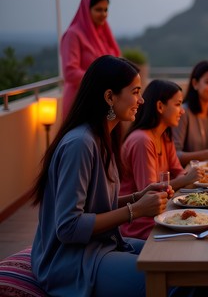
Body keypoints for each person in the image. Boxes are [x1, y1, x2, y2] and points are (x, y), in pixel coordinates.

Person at [30, 56, 173, 297]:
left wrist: (138, 196)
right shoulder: (80, 144)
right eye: (136, 91)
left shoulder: (102, 138)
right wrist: (136, 211)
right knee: (175, 280)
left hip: (101, 245)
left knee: (182, 259)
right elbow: (68, 227)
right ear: (109, 97)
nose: (142, 100)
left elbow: (94, 206)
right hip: (72, 260)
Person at [120, 79, 205, 239]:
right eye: (178, 104)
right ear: (160, 106)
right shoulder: (142, 141)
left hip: (164, 214)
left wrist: (189, 178)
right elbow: (150, 194)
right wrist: (187, 178)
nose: (183, 111)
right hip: (141, 225)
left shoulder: (164, 135)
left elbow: (179, 172)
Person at [60, 0, 121, 117]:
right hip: (80, 101)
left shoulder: (103, 34)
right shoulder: (73, 35)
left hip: (102, 101)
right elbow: (70, 73)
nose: (103, 14)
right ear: (86, 11)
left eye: (106, 10)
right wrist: (101, 79)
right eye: (98, 10)